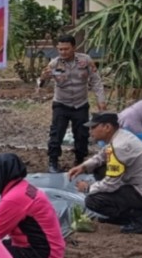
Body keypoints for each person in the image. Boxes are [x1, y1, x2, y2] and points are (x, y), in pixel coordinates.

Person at [68, 113, 142, 234]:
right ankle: (120, 213)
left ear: (107, 127)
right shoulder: (119, 136)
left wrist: (88, 188)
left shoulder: (120, 146)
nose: (90, 131)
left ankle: (140, 217)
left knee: (93, 201)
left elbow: (111, 184)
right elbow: (102, 156)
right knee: (99, 168)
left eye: (93, 127)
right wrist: (83, 167)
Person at [40, 35, 106, 173]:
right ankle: (53, 162)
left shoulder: (85, 60)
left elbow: (96, 81)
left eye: (66, 49)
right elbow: (42, 85)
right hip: (61, 104)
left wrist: (101, 101)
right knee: (56, 134)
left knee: (82, 134)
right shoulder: (54, 64)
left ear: (74, 48)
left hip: (80, 104)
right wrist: (43, 78)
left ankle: (80, 160)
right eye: (60, 49)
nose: (63, 52)